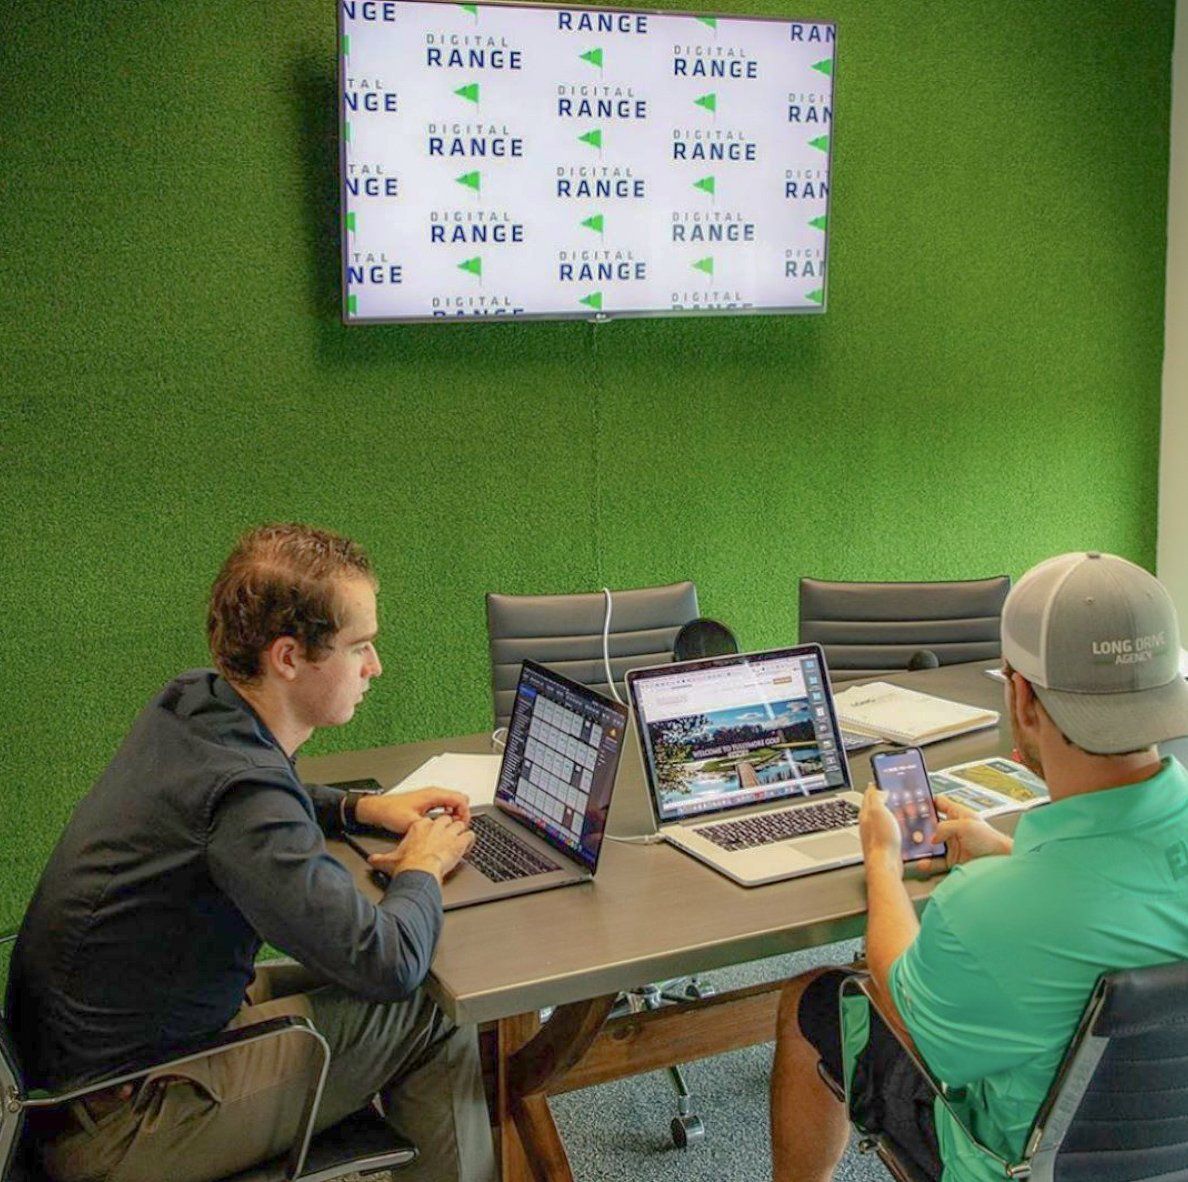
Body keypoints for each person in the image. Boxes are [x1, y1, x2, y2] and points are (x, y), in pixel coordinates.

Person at [5, 523, 496, 1182]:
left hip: (86, 1075)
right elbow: (390, 962)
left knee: (412, 992)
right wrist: (421, 867)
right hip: (126, 1126)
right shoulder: (242, 795)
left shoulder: (193, 702)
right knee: (430, 1010)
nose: (374, 667)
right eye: (360, 647)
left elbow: (259, 792)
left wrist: (357, 808)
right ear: (289, 657)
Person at [770, 551, 1188, 1182]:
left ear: (1020, 696)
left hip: (1004, 1163)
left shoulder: (986, 906)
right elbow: (1123, 893)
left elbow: (897, 998)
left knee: (810, 1001)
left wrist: (883, 861)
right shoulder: (1014, 890)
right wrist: (1011, 852)